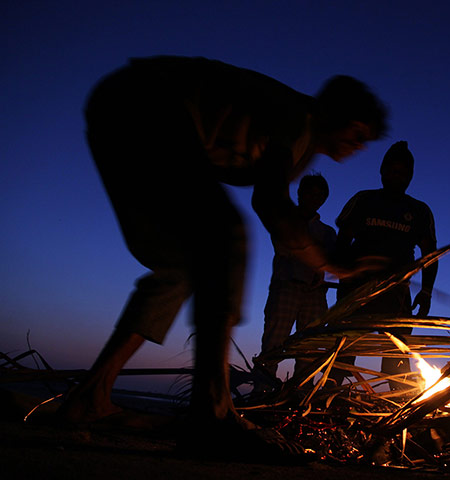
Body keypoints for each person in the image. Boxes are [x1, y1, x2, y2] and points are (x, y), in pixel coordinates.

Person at [57, 55, 387, 460]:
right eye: (356, 131)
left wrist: (332, 264)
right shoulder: (299, 120)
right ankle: (211, 413)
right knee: (224, 235)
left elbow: (273, 206)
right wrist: (339, 266)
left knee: (180, 266)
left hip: (117, 105)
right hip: (146, 101)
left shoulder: (300, 142)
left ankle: (91, 397)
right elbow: (272, 205)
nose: (358, 145)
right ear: (333, 113)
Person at [332, 141, 437, 390]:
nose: (396, 177)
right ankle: (330, 394)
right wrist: (344, 273)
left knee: (396, 354)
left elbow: (429, 255)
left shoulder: (419, 211)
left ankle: (397, 404)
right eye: (391, 170)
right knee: (343, 350)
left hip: (397, 294)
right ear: (381, 171)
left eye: (402, 172)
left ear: (410, 176)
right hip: (356, 291)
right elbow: (342, 242)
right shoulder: (363, 200)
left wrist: (426, 291)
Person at [256, 173, 336, 386]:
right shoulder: (286, 221)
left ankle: (300, 393)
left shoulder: (327, 232)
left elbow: (331, 261)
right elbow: (287, 248)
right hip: (287, 287)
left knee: (310, 347)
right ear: (300, 193)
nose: (314, 198)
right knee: (274, 342)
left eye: (320, 195)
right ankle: (262, 390)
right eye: (310, 192)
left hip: (315, 293)